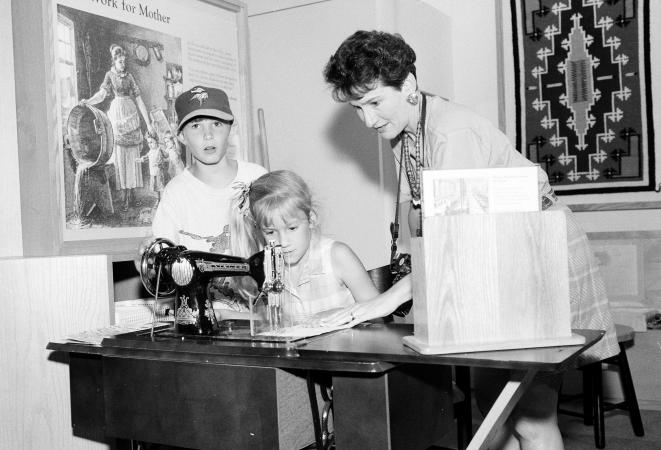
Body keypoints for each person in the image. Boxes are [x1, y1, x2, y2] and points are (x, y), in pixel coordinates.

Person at [321, 30, 619, 450]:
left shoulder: (451, 134)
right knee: (493, 406)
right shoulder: (405, 132)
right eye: (356, 107)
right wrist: (406, 273)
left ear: (407, 85)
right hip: (494, 256)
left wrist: (383, 302)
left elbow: (454, 249)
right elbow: (420, 215)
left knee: (530, 413)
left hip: (534, 255)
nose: (367, 120)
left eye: (373, 103)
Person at [150, 85, 267, 315]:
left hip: (258, 316)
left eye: (217, 124)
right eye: (196, 126)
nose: (208, 135)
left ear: (231, 129)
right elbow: (160, 263)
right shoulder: (176, 193)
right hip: (204, 318)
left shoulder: (257, 178)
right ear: (181, 136)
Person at [236, 169, 380, 323]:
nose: (283, 242)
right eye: (271, 232)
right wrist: (225, 315)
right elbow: (272, 322)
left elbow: (378, 314)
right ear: (259, 231)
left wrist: (339, 315)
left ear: (311, 219)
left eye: (292, 228)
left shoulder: (337, 256)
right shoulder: (270, 267)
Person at [82, 44, 152, 212]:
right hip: (117, 113)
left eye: (124, 60)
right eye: (120, 61)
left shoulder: (129, 77)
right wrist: (88, 102)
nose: (123, 63)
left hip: (130, 112)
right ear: (114, 61)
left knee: (132, 154)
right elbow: (102, 94)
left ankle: (132, 194)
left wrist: (148, 124)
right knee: (120, 155)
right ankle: (125, 197)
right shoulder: (109, 75)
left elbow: (140, 100)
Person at [139, 131, 166, 201]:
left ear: (156, 141)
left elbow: (162, 161)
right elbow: (147, 157)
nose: (149, 145)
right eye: (148, 143)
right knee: (155, 188)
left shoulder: (159, 150)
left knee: (160, 187)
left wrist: (158, 164)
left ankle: (163, 200)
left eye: (151, 142)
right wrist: (141, 159)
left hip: (158, 173)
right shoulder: (151, 151)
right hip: (153, 173)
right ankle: (158, 199)